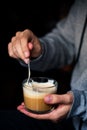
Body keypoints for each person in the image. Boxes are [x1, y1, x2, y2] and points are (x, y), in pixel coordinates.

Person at [6, 0, 87, 129]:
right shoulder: (82, 5)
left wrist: (81, 104)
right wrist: (38, 50)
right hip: (74, 119)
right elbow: (65, 41)